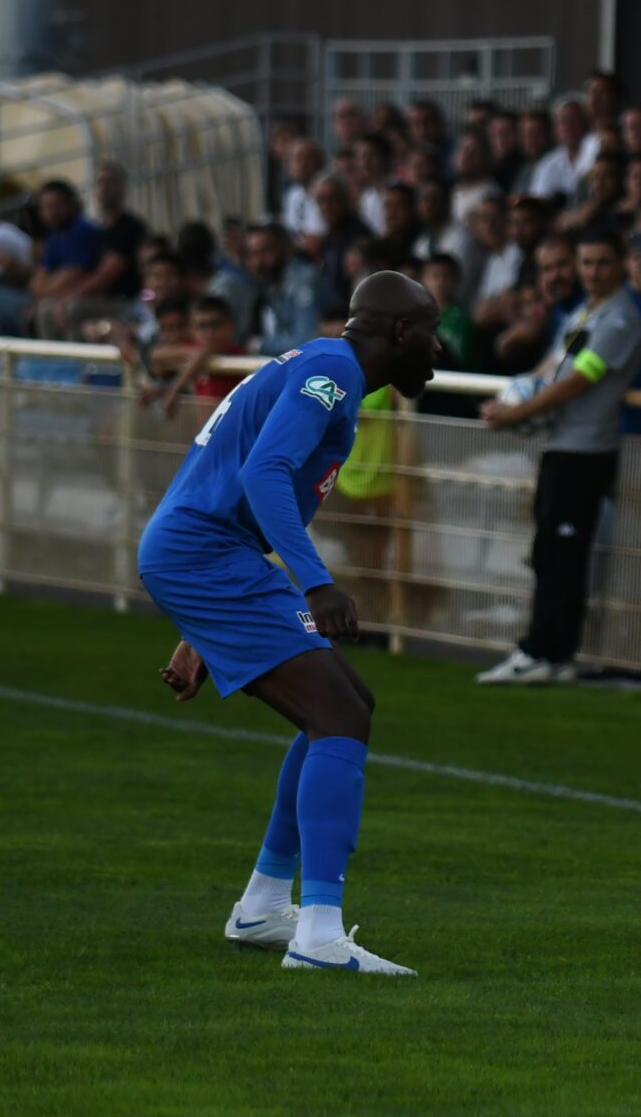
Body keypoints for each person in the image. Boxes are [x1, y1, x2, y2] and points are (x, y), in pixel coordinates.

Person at [140, 271, 442, 977]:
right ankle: (317, 934)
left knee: (346, 704)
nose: (437, 352)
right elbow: (264, 472)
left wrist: (198, 631)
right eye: (431, 336)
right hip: (207, 555)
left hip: (211, 555)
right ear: (401, 332)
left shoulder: (321, 363)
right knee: (338, 712)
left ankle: (265, 905)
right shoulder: (333, 372)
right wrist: (317, 582)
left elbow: (234, 477)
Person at [476, 229, 641, 685]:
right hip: (563, 444)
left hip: (586, 449)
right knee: (549, 551)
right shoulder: (585, 311)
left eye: (602, 262)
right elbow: (553, 367)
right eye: (587, 263)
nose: (593, 272)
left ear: (621, 265)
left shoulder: (620, 319)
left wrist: (518, 412)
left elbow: (579, 381)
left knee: (563, 556)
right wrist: (517, 393)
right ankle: (546, 650)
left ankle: (546, 652)